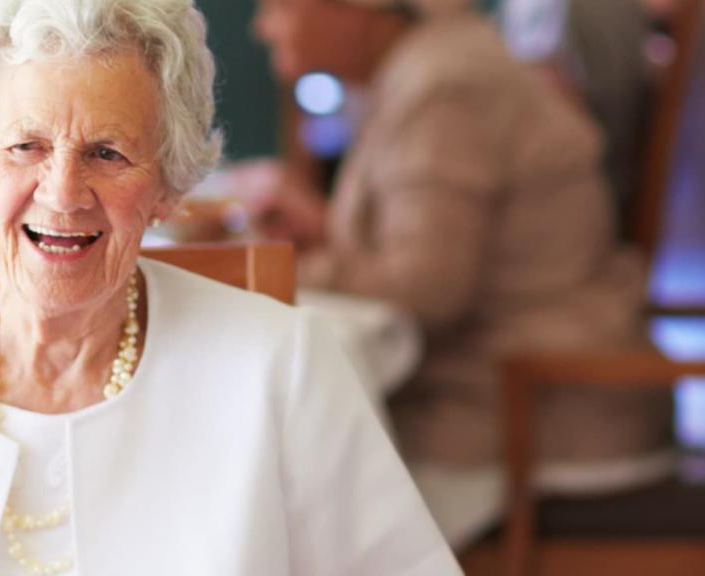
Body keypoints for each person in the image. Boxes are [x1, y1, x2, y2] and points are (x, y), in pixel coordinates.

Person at [0, 1, 463, 574]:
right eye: (27, 146)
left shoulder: (280, 368)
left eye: (107, 153)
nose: (62, 193)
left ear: (167, 185)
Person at [251, 0, 675, 547]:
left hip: (537, 428)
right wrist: (327, 231)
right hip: (513, 403)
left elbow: (429, 286)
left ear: (355, 10)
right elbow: (426, 245)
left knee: (297, 518)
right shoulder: (428, 65)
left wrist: (279, 266)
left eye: (276, 7)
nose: (262, 26)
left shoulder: (442, 85)